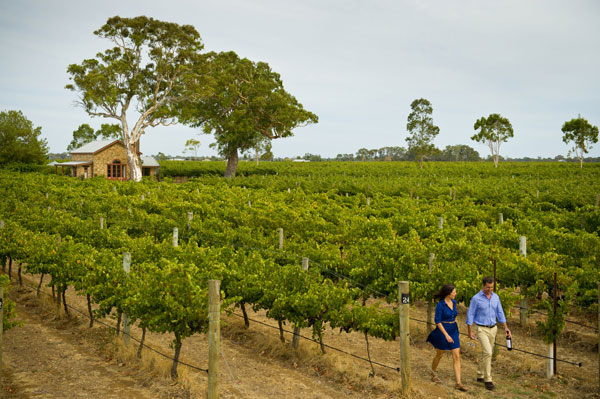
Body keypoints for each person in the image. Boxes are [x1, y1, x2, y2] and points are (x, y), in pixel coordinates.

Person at [466, 276, 512, 391]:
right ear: (483, 285)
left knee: (488, 353)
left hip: (493, 329)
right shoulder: (476, 298)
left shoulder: (496, 297)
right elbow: (470, 314)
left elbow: (500, 312)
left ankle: (480, 374)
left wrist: (506, 327)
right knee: (488, 352)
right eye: (488, 287)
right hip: (481, 329)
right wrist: (470, 331)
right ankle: (488, 380)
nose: (490, 289)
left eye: (491, 287)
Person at [426, 284, 467, 392]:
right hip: (443, 331)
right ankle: (433, 373)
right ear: (448, 293)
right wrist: (446, 335)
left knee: (456, 356)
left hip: (453, 329)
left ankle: (458, 383)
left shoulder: (454, 302)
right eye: (454, 292)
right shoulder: (440, 305)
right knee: (439, 354)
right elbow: (437, 321)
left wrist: (452, 331)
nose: (455, 293)